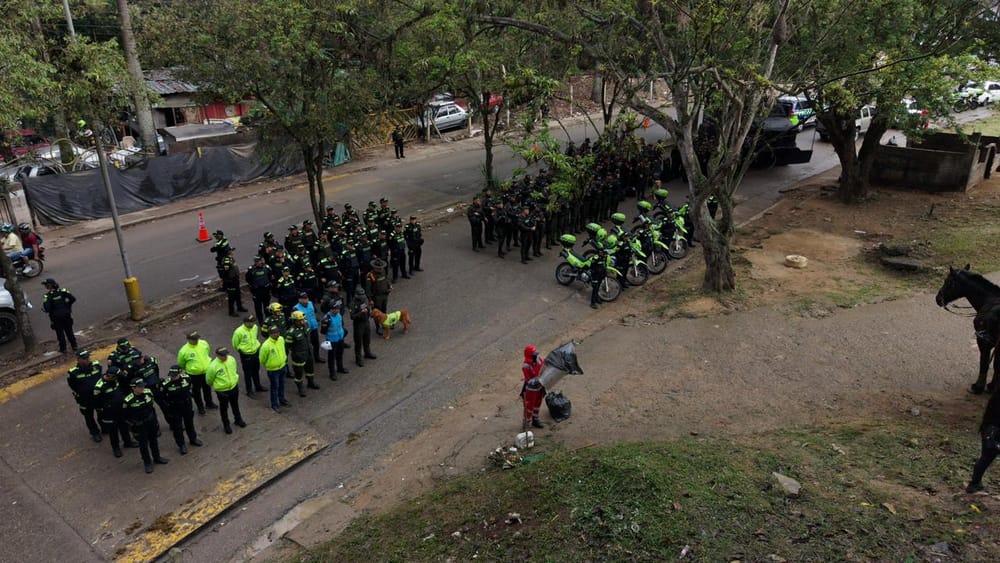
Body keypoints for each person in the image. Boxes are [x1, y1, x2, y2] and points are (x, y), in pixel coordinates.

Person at [122, 378, 168, 474]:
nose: (143, 388)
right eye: (140, 387)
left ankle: (157, 457)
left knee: (154, 441)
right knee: (143, 444)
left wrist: (156, 422)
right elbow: (125, 416)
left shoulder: (148, 392)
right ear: (133, 388)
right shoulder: (128, 400)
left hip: (150, 422)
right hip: (139, 425)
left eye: (143, 386)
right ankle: (147, 463)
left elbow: (152, 408)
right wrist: (133, 426)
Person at [92, 365, 137, 458]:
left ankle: (127, 442)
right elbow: (97, 402)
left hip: (120, 409)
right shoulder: (99, 387)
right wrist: (104, 411)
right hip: (110, 413)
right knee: (113, 431)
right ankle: (116, 448)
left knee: (124, 426)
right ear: (110, 376)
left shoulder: (116, 380)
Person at [157, 365, 202, 454]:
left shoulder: (187, 378)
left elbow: (190, 389)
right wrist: (168, 407)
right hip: (175, 407)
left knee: (189, 423)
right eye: (171, 375)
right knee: (177, 427)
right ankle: (181, 445)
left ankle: (193, 439)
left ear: (180, 373)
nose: (173, 377)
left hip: (187, 404)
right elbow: (162, 397)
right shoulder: (166, 384)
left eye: (175, 375)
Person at [206, 348, 246, 434]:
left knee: (235, 404)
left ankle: (238, 419)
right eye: (223, 355)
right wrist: (218, 387)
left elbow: (234, 369)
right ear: (217, 355)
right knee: (224, 408)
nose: (225, 357)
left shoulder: (231, 359)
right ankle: (226, 424)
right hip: (222, 391)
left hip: (234, 387)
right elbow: (209, 380)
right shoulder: (213, 366)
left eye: (226, 354)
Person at [67, 350, 102, 442]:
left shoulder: (96, 366)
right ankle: (95, 432)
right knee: (88, 416)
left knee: (102, 412)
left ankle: (104, 427)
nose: (87, 360)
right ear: (78, 360)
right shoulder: (73, 372)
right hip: (85, 399)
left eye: (87, 357)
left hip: (98, 396)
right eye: (84, 358)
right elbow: (72, 385)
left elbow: (101, 378)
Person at [968, 390, 1000, 493]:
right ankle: (974, 484)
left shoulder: (996, 395)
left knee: (985, 458)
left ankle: (974, 483)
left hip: (989, 429)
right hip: (994, 431)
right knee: (986, 458)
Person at [176, 331, 216, 414]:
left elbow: (207, 352)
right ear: (188, 339)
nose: (196, 340)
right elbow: (181, 363)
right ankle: (200, 407)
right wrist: (192, 369)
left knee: (207, 388)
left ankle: (209, 403)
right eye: (194, 339)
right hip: (193, 375)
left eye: (197, 338)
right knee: (196, 391)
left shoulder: (204, 343)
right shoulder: (183, 351)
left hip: (206, 372)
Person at [232, 314, 267, 397]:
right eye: (250, 322)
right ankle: (249, 390)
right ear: (245, 322)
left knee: (256, 370)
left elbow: (255, 337)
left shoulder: (255, 327)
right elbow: (235, 344)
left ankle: (258, 386)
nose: (252, 324)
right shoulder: (238, 332)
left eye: (253, 322)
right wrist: (243, 350)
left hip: (255, 352)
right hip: (246, 355)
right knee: (248, 373)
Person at [286, 310, 318, 396]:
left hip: (308, 352)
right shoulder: (291, 333)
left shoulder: (306, 325)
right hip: (298, 356)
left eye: (304, 319)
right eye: (301, 320)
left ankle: (311, 382)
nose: (304, 321)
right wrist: (296, 353)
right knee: (299, 373)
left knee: (310, 369)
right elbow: (288, 345)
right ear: (295, 321)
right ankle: (300, 388)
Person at [259, 325, 290, 413]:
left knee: (282, 385)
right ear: (270, 334)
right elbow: (262, 359)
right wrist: (271, 364)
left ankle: (282, 399)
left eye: (277, 332)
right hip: (273, 370)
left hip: (282, 366)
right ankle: (274, 404)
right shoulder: (266, 345)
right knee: (274, 387)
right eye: (274, 333)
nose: (276, 334)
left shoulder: (281, 339)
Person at [42, 278, 78, 353]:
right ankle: (74, 346)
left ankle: (63, 349)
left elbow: (47, 308)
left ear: (49, 286)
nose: (45, 286)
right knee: (69, 331)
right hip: (66, 315)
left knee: (60, 334)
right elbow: (73, 299)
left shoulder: (47, 296)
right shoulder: (63, 291)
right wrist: (67, 306)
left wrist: (47, 309)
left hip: (56, 318)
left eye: (46, 285)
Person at [294, 292, 324, 364]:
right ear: (299, 300)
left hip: (314, 327)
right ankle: (306, 361)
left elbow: (314, 312)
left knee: (316, 344)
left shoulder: (311, 303)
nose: (306, 300)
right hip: (305, 330)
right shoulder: (296, 308)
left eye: (307, 298)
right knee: (307, 346)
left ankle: (317, 357)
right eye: (303, 298)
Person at [321, 301, 349, 379]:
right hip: (331, 340)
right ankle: (332, 373)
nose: (338, 310)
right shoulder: (327, 319)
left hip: (340, 338)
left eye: (338, 309)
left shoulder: (338, 315)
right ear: (332, 309)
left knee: (340, 354)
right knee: (331, 357)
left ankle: (340, 368)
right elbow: (323, 331)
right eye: (336, 309)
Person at [521, 345, 545, 430]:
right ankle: (527, 423)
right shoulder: (526, 366)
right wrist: (539, 379)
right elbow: (529, 380)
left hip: (540, 387)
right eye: (534, 354)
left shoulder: (538, 359)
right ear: (530, 356)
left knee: (537, 404)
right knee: (529, 407)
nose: (536, 355)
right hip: (531, 390)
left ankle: (535, 419)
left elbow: (543, 365)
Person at [350, 287, 376, 367]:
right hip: (358, 324)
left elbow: (367, 306)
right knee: (358, 342)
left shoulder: (364, 299)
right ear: (356, 295)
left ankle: (367, 353)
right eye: (360, 295)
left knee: (367, 339)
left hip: (366, 322)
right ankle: (358, 359)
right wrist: (361, 313)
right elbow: (352, 316)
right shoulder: (353, 303)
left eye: (363, 294)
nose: (362, 296)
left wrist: (370, 307)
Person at [220, 247, 248, 317]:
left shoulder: (231, 258)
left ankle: (239, 307)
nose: (233, 252)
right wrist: (227, 281)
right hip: (230, 281)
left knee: (238, 294)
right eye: (231, 251)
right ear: (228, 252)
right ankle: (231, 311)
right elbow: (225, 272)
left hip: (235, 279)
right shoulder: (227, 261)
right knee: (232, 296)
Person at [365, 260, 392, 335]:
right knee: (376, 314)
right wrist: (370, 299)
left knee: (384, 310)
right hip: (376, 297)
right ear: (374, 268)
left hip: (384, 295)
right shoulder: (370, 275)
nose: (381, 269)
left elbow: (386, 280)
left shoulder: (383, 271)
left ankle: (384, 324)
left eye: (381, 268)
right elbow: (368, 289)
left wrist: (389, 286)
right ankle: (378, 327)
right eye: (379, 268)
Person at [246, 255, 273, 323]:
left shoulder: (266, 267)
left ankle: (268, 319)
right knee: (258, 307)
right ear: (256, 262)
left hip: (266, 290)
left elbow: (270, 277)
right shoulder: (251, 269)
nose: (261, 262)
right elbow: (248, 279)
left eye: (261, 260)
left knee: (266, 306)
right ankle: (260, 320)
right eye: (259, 261)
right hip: (257, 291)